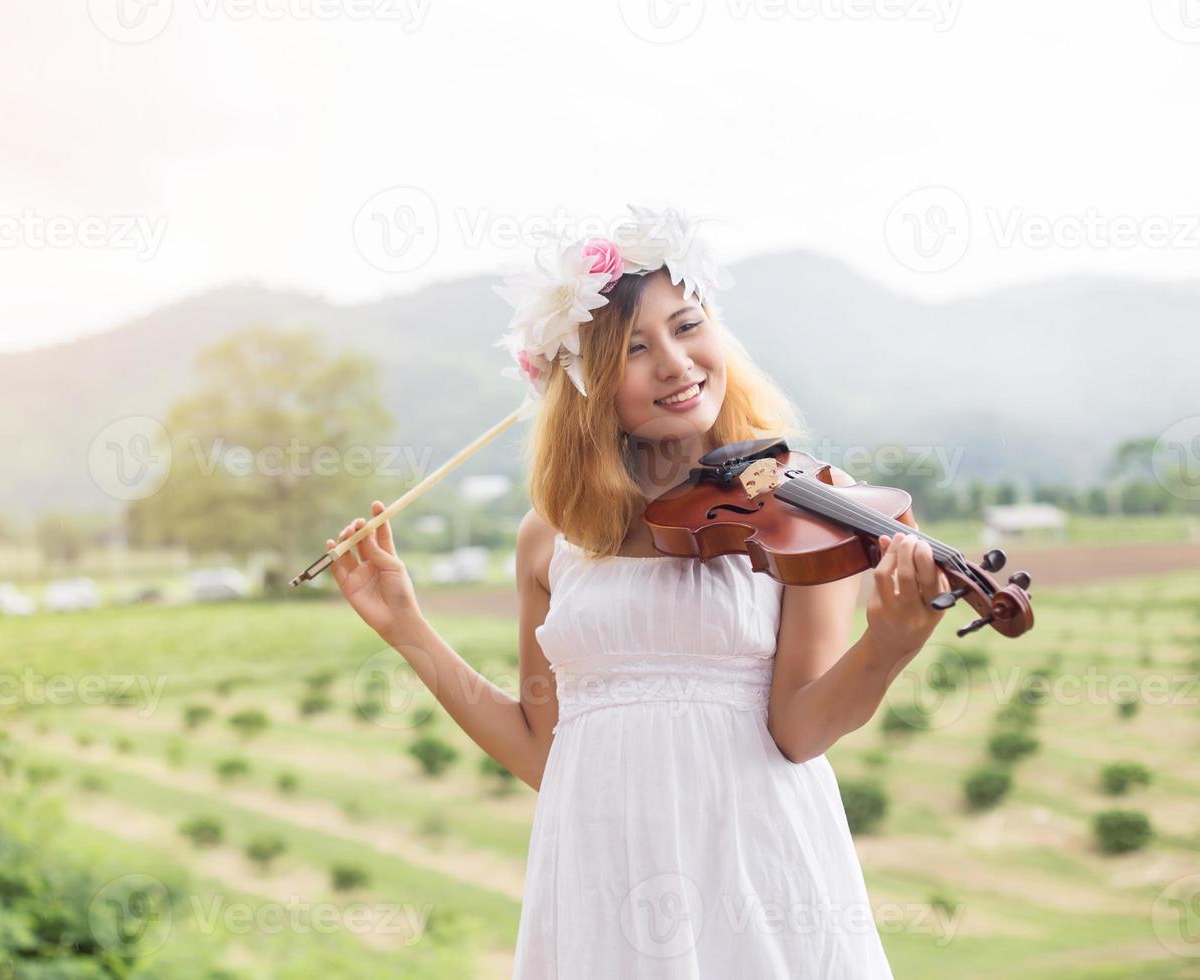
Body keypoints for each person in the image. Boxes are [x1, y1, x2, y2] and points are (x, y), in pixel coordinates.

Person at [324, 206, 950, 978]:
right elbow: (544, 752)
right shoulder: (548, 537)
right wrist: (409, 630)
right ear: (585, 387)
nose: (676, 364)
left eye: (688, 327)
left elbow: (799, 728)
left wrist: (889, 646)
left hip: (754, 868)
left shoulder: (806, 506)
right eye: (633, 350)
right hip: (597, 880)